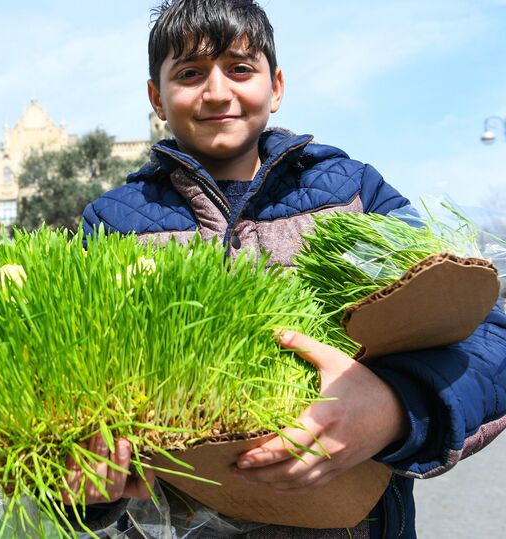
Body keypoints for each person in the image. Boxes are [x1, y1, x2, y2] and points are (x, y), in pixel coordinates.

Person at [68, 0, 506, 537]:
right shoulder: (109, 225)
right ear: (157, 98)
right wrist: (88, 493)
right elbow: (67, 393)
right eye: (189, 73)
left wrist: (390, 411)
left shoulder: (352, 194)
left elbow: (484, 337)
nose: (217, 91)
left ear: (275, 87)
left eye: (240, 68)